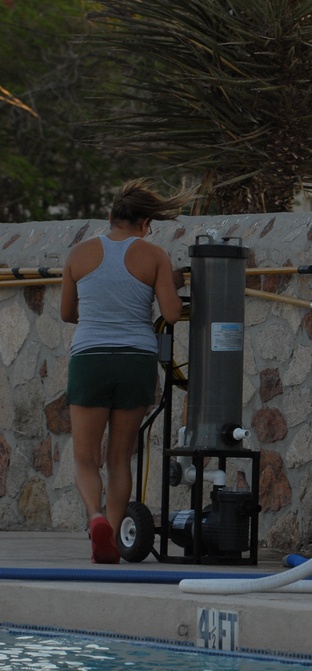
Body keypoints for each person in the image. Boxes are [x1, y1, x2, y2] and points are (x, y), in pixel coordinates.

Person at [60, 178, 189, 563]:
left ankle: (96, 519)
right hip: (136, 360)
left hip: (90, 359)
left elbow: (68, 314)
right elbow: (170, 313)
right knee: (119, 457)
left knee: (85, 458)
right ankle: (113, 541)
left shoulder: (78, 254)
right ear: (145, 224)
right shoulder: (153, 255)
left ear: (110, 217)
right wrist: (169, 281)